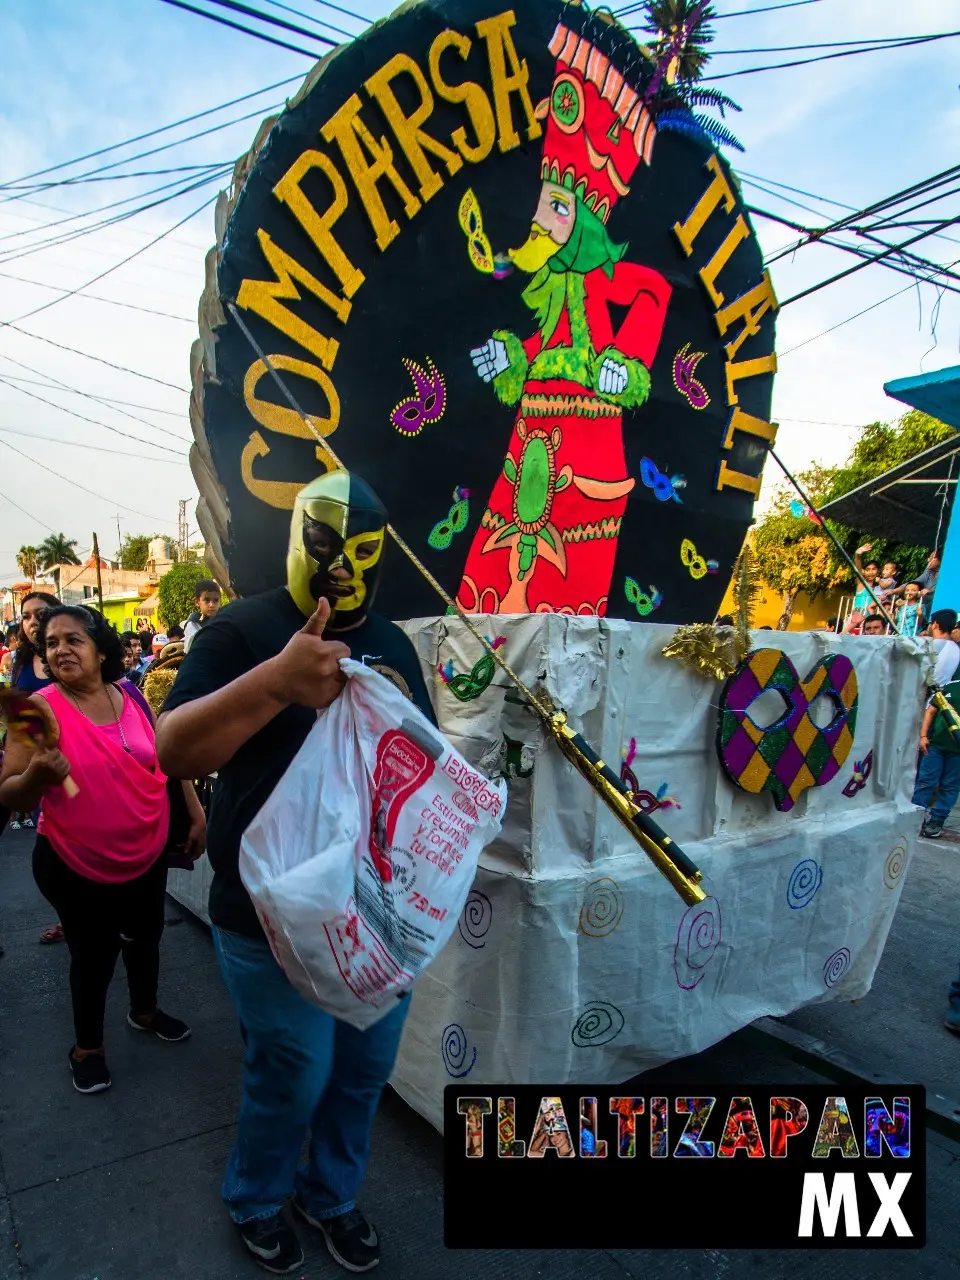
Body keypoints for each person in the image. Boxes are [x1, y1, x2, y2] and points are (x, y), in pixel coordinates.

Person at [156, 471, 436, 1275]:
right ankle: (255, 1195)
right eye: (324, 546)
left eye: (360, 551)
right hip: (265, 914)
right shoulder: (243, 630)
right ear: (296, 540)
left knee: (361, 1074)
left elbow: (422, 763)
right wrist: (276, 682)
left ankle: (331, 1196)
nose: (341, 566)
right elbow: (173, 748)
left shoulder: (395, 642)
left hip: (371, 913)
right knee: (294, 1069)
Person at [0, 605, 205, 1094]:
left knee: (145, 935)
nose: (60, 650)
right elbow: (8, 791)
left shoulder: (132, 693)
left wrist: (194, 810)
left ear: (99, 647)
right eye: (50, 643)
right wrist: (35, 777)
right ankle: (86, 1048)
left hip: (146, 848)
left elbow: (168, 757)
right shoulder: (36, 708)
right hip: (74, 861)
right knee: (92, 956)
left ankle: (145, 1010)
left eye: (73, 639)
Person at [915, 643, 960, 839]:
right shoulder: (951, 687)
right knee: (925, 781)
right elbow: (931, 711)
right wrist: (923, 736)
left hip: (957, 752)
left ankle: (937, 821)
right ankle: (915, 817)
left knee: (950, 786)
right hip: (936, 746)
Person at [183, 579, 223, 653]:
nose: (211, 605)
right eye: (207, 600)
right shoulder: (193, 624)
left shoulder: (225, 621)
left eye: (216, 600)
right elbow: (191, 651)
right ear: (197, 602)